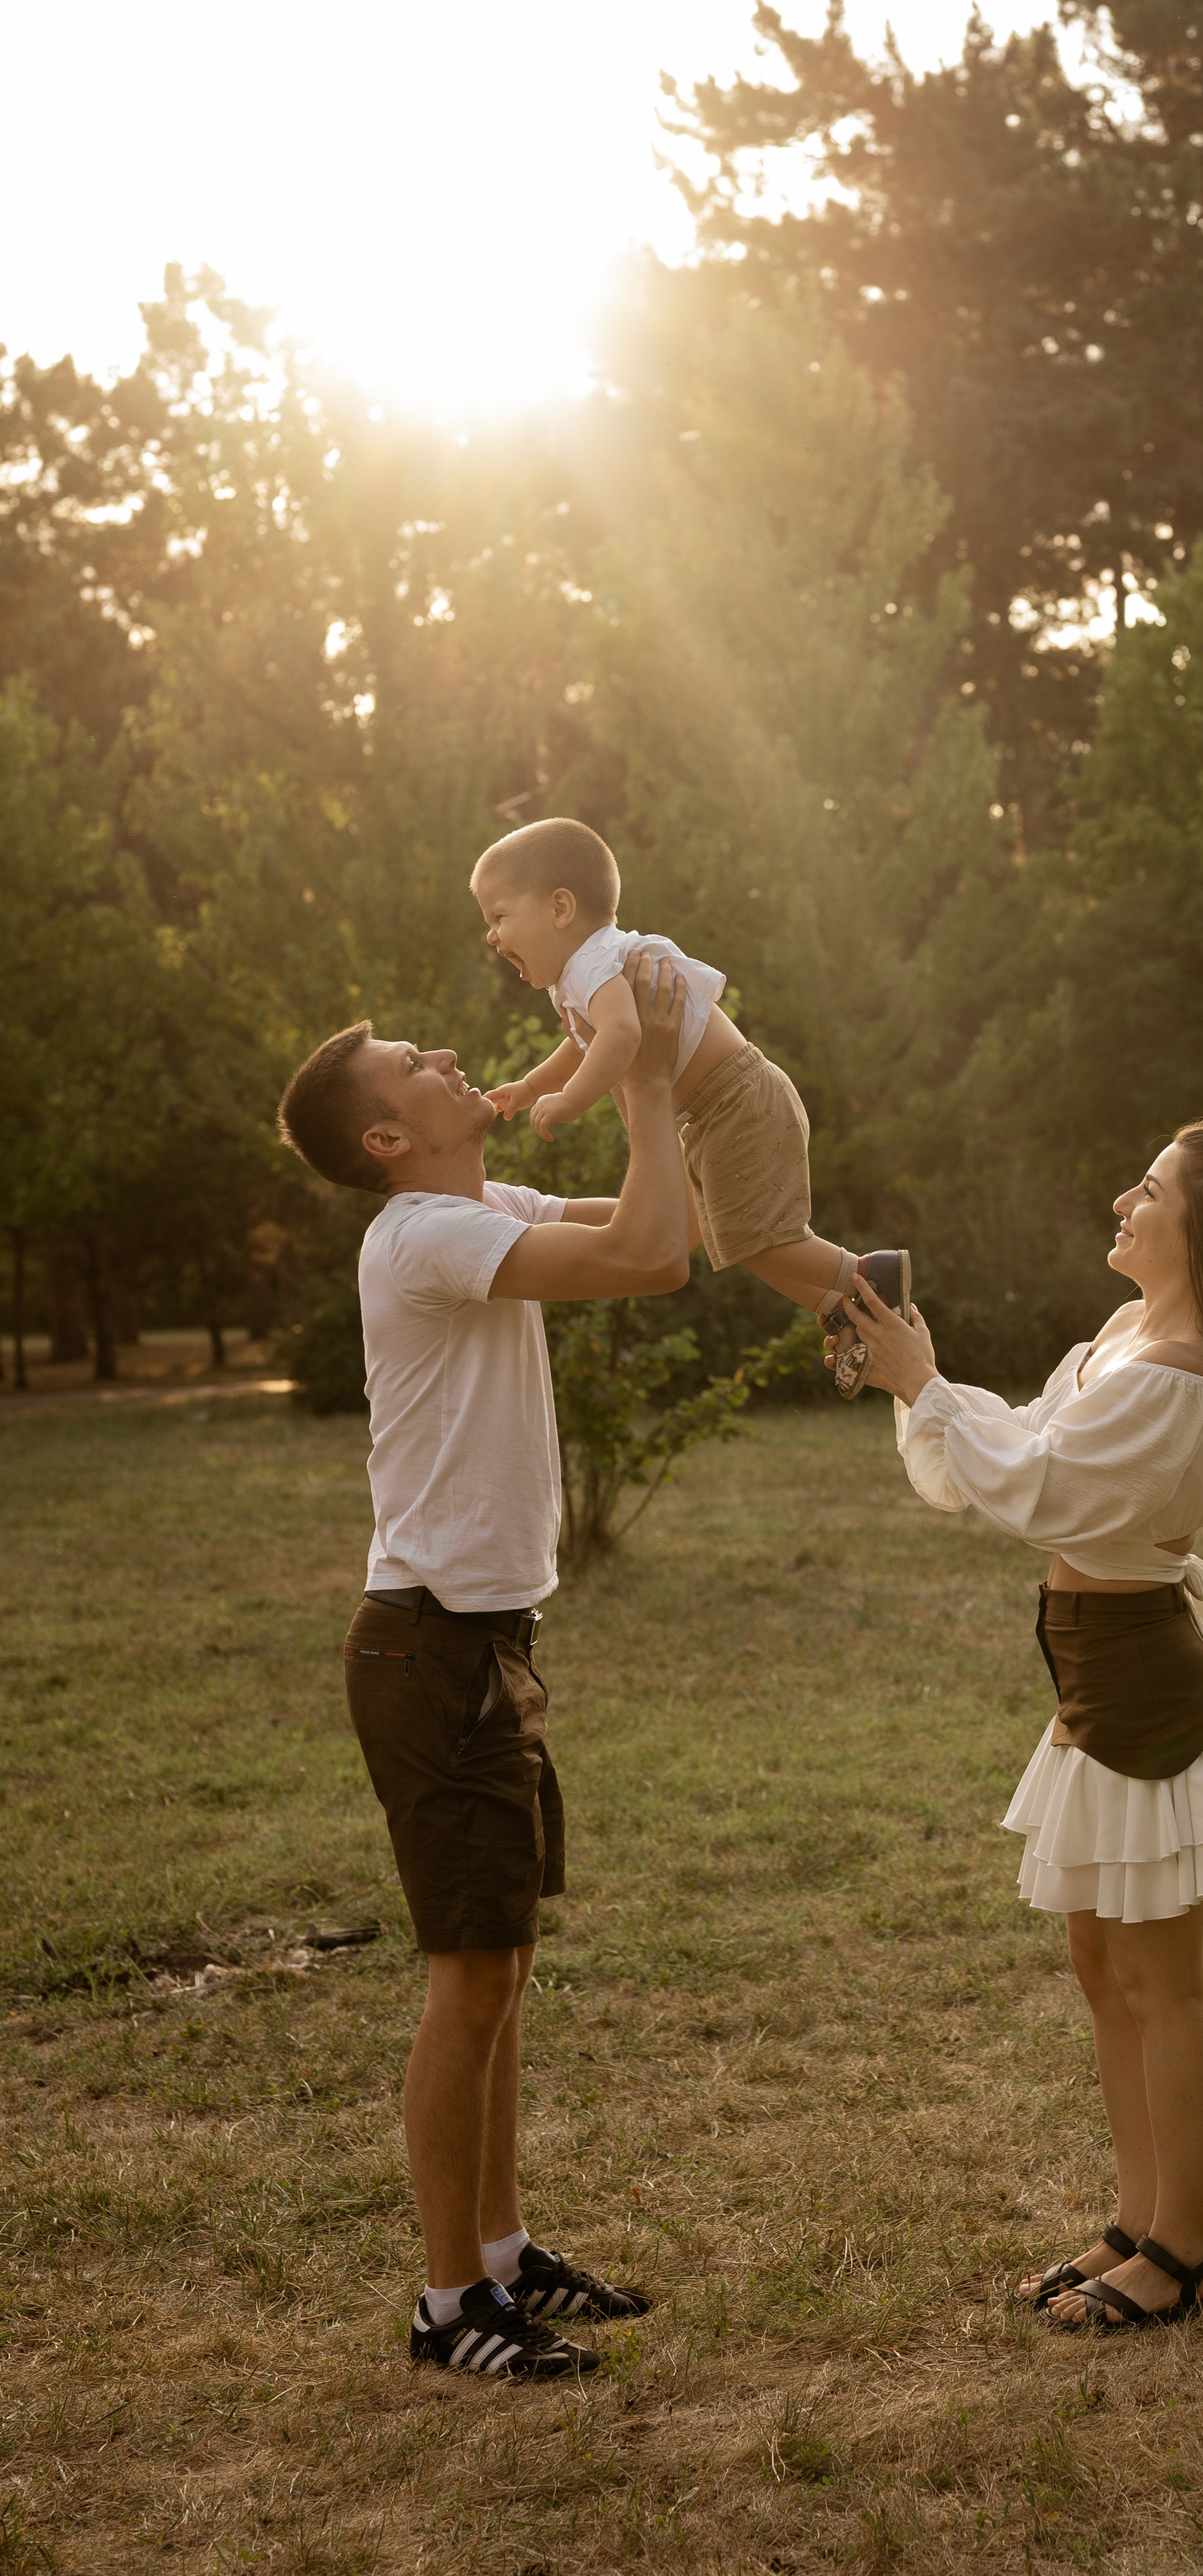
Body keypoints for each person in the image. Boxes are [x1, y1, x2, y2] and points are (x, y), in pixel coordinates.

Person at [833, 1123, 1203, 2332]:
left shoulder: (1184, 1371)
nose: (1126, 1198)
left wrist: (925, 1385)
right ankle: (1140, 2222)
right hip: (1095, 1669)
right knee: (1100, 1959)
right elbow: (1023, 1445)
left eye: (1154, 1188)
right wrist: (919, 1380)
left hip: (1143, 1682)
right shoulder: (1130, 1339)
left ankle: (1188, 2251)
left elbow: (1046, 1492)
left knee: (1160, 1977)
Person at [276, 953, 692, 2383]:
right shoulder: (418, 1239)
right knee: (467, 1982)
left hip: (484, 1642)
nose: (443, 1051)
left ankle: (504, 2258)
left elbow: (666, 1222)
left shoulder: (480, 1206)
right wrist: (629, 1069)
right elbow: (647, 1258)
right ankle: (447, 2304)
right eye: (408, 1061)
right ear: (386, 1137)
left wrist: (654, 1065)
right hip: (431, 1646)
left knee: (501, 1964)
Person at [470, 816, 908, 1396]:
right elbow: (582, 1042)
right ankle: (845, 1311)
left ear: (559, 909)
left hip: (735, 1100)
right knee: (738, 1242)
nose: (492, 937)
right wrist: (530, 1086)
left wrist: (570, 1102)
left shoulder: (595, 962)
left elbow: (621, 1036)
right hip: (718, 1109)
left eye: (499, 917)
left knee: (759, 1239)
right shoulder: (578, 977)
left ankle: (869, 1276)